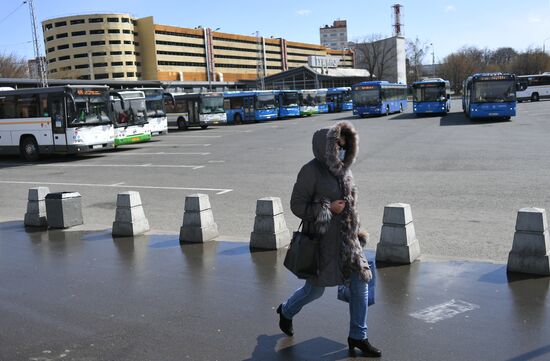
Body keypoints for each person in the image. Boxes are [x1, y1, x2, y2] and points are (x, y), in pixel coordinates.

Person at [277, 121, 381, 358]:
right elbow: (296, 205)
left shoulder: (346, 170)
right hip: (321, 244)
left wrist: (356, 231)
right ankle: (286, 311)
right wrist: (327, 207)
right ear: (326, 148)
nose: (342, 151)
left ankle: (358, 336)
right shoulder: (310, 170)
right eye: (338, 147)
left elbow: (352, 206)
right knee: (314, 291)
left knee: (361, 283)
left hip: (348, 242)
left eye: (345, 146)